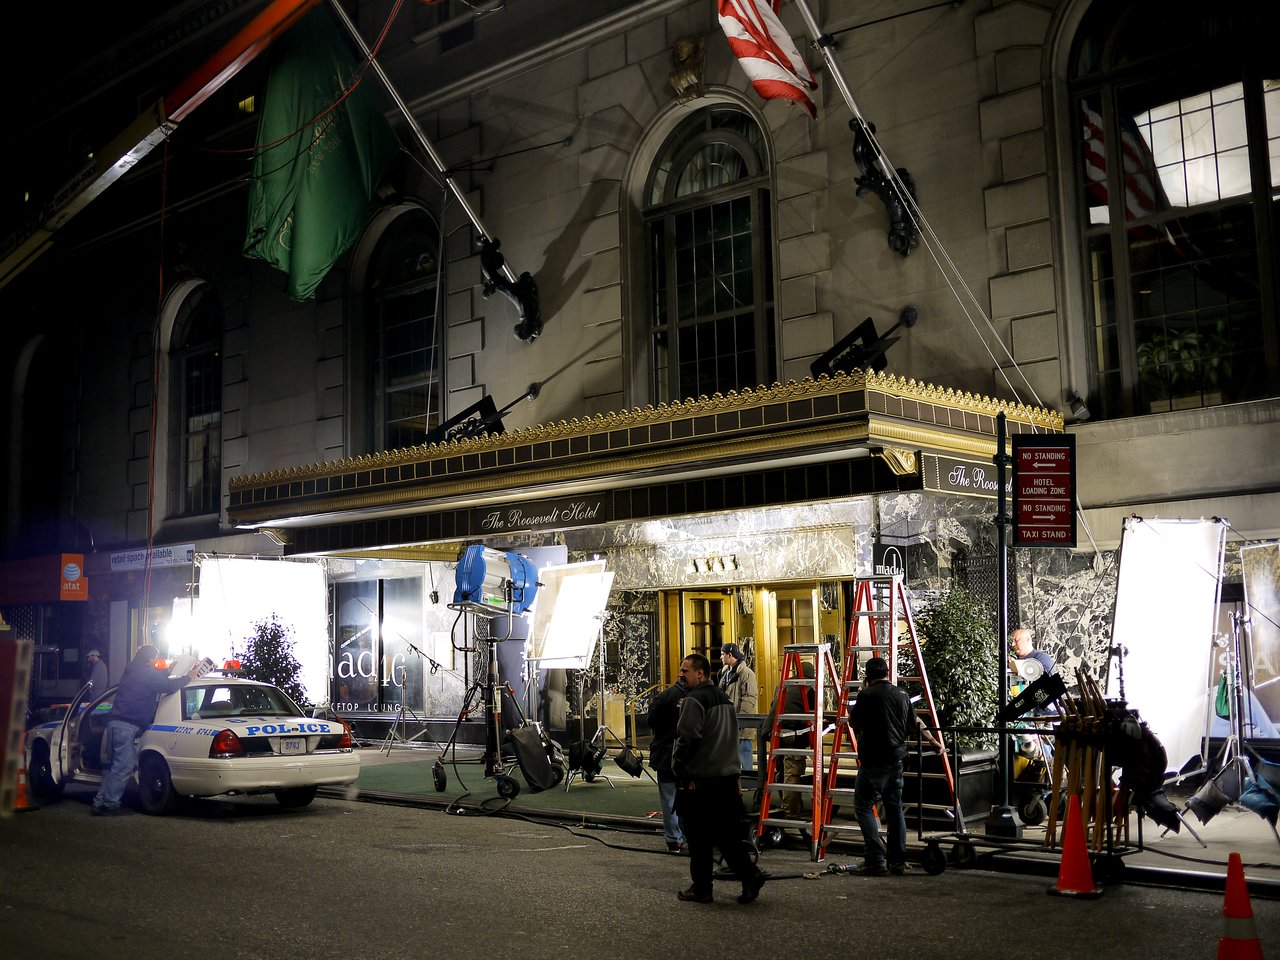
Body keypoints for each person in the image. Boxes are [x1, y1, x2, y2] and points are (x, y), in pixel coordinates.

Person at [671, 654, 766, 905]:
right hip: (726, 779)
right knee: (727, 837)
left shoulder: (694, 700)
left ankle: (702, 888)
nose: (681, 675)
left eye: (685, 671)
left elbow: (687, 738)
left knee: (698, 838)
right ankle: (750, 875)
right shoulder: (724, 698)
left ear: (699, 673)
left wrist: (678, 767)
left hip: (702, 781)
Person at [849, 655, 941, 876]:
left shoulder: (866, 695)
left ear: (868, 676)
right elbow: (914, 722)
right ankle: (897, 861)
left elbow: (853, 722)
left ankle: (875, 860)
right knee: (895, 808)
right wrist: (933, 741)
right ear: (887, 673)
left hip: (873, 760)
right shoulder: (902, 694)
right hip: (897, 760)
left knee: (863, 806)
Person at [91, 645, 199, 816]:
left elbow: (155, 680)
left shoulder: (131, 672)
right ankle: (110, 805)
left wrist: (168, 670)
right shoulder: (146, 673)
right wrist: (188, 677)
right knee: (122, 768)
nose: (155, 661)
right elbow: (169, 686)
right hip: (127, 727)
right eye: (154, 658)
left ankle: (99, 803)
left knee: (115, 769)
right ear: (149, 659)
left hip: (114, 724)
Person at [766, 659, 816, 836]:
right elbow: (813, 714)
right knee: (793, 773)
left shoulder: (783, 685)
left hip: (775, 732)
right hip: (792, 736)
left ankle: (784, 805)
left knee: (781, 771)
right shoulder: (808, 690)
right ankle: (790, 812)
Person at [646, 677, 687, 853]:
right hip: (686, 757)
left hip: (664, 754)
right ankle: (685, 836)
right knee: (688, 799)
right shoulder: (697, 697)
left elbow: (651, 720)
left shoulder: (664, 696)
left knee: (669, 799)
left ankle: (674, 840)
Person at [718, 642, 758, 773]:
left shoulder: (746, 673)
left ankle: (747, 779)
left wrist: (741, 720)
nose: (721, 657)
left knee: (744, 755)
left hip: (740, 724)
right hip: (727, 721)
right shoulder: (725, 673)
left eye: (723, 654)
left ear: (730, 655)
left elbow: (749, 698)